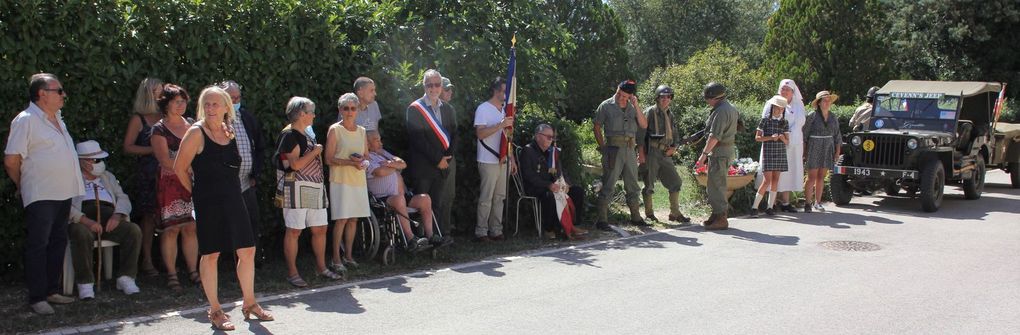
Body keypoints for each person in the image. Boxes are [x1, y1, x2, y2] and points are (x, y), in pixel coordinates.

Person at [174, 86, 271, 330]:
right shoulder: (196, 133)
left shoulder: (229, 132)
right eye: (206, 104)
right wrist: (196, 193)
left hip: (233, 196)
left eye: (215, 104)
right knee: (211, 254)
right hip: (208, 201)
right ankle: (215, 310)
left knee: (247, 250)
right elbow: (179, 168)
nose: (210, 108)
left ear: (227, 107)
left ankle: (249, 303)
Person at [4, 74, 85, 314]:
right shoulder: (26, 120)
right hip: (40, 192)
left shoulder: (58, 118)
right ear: (42, 94)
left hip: (63, 192)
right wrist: (23, 184)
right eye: (58, 91)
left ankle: (51, 290)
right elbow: (11, 160)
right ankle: (37, 297)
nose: (63, 95)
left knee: (58, 241)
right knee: (38, 244)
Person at [275, 97, 341, 287]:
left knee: (320, 228)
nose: (314, 115)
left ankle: (321, 268)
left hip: (314, 187)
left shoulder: (306, 134)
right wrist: (316, 151)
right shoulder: (289, 135)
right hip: (295, 188)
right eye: (311, 111)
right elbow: (295, 164)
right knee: (294, 230)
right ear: (302, 114)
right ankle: (292, 272)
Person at [68, 140, 143, 299]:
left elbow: (123, 198)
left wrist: (118, 215)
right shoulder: (72, 178)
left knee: (133, 231)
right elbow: (66, 206)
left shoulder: (107, 177)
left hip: (109, 216)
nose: (98, 163)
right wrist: (86, 221)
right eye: (94, 160)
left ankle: (126, 277)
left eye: (99, 160)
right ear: (82, 162)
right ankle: (85, 282)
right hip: (83, 219)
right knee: (80, 233)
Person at [150, 83, 199, 292]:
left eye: (183, 101)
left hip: (192, 182)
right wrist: (186, 165)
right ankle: (171, 274)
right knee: (171, 229)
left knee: (191, 227)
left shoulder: (192, 124)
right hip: (170, 184)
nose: (181, 105)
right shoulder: (159, 129)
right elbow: (164, 160)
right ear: (166, 104)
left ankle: (193, 271)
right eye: (176, 101)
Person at [366, 130, 447, 250]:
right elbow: (380, 172)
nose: (380, 143)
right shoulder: (366, 158)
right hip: (383, 199)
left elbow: (403, 164)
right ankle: (411, 239)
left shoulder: (383, 153)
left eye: (380, 139)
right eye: (376, 140)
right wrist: (394, 166)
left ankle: (430, 236)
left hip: (401, 195)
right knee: (399, 200)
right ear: (367, 143)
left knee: (425, 199)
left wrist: (389, 164)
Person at [219, 80, 266, 267]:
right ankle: (228, 261)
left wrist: (255, 175)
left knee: (252, 221)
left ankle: (253, 260)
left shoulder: (247, 117)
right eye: (232, 98)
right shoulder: (215, 120)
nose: (236, 101)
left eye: (238, 97)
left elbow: (260, 147)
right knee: (227, 223)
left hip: (247, 182)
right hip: (225, 183)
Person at [405, 69, 457, 235]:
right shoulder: (415, 109)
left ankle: (437, 238)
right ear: (424, 86)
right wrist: (437, 159)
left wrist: (446, 159)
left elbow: (455, 136)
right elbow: (418, 140)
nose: (433, 88)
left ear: (441, 86)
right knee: (422, 207)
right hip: (424, 167)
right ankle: (422, 239)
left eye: (436, 85)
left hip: (442, 166)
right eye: (429, 85)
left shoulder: (449, 109)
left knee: (438, 204)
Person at [120, 77, 162, 278]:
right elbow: (128, 147)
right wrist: (151, 150)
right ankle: (147, 260)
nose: (160, 95)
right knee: (148, 218)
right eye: (156, 92)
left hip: (167, 171)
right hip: (147, 173)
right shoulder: (139, 119)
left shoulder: (166, 115)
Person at [593, 80, 648, 231]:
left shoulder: (633, 107)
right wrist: (603, 147)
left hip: (630, 149)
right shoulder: (606, 105)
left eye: (625, 96)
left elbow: (644, 124)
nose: (621, 98)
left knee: (632, 184)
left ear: (631, 96)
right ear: (617, 90)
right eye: (619, 94)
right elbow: (597, 126)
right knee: (609, 182)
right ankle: (602, 220)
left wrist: (636, 105)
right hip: (613, 148)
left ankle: (636, 217)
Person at [325, 93, 370, 272]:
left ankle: (348, 256)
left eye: (353, 108)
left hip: (358, 180)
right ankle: (336, 259)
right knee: (341, 219)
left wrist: (362, 162)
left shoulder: (362, 131)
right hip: (340, 180)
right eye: (346, 108)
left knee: (353, 219)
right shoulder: (335, 130)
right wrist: (351, 162)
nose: (350, 112)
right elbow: (328, 159)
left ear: (357, 110)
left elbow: (366, 155)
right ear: (340, 110)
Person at [518, 124, 588, 239]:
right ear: (538, 136)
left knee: (577, 191)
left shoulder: (552, 151)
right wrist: (548, 185)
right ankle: (549, 229)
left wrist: (567, 184)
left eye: (553, 137)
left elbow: (561, 171)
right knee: (549, 195)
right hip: (536, 186)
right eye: (548, 137)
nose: (551, 140)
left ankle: (572, 226)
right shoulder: (528, 151)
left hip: (553, 185)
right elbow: (528, 176)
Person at [637, 85, 690, 224]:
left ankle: (675, 213)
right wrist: (641, 153)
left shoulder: (670, 114)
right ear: (657, 98)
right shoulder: (650, 112)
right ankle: (649, 214)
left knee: (675, 182)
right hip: (652, 152)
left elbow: (675, 135)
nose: (665, 99)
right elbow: (640, 134)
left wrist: (674, 148)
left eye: (668, 96)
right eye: (662, 97)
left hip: (666, 153)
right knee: (649, 184)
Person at [473, 77, 514, 241]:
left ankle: (496, 230)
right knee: (486, 198)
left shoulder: (505, 110)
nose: (506, 94)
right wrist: (500, 125)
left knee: (499, 197)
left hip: (503, 159)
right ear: (496, 91)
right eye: (504, 91)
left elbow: (508, 136)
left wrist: (512, 160)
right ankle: (481, 231)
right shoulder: (483, 109)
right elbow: (480, 133)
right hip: (488, 159)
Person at [695, 82, 739, 230]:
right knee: (714, 184)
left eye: (708, 98)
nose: (707, 101)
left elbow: (714, 137)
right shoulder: (729, 108)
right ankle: (716, 214)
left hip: (720, 152)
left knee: (718, 185)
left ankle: (721, 218)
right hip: (724, 151)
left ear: (714, 97)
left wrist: (703, 156)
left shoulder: (721, 111)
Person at [760, 79, 807, 213]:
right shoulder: (771, 103)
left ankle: (786, 202)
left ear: (793, 91)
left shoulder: (799, 104)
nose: (784, 92)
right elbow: (765, 122)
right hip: (774, 143)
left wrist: (789, 135)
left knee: (789, 172)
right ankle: (772, 203)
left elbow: (800, 122)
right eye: (782, 89)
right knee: (773, 173)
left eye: (787, 89)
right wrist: (780, 134)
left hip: (793, 143)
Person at [750, 96, 790, 217]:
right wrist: (771, 138)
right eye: (777, 108)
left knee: (775, 180)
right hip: (768, 152)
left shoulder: (785, 122)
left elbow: (787, 141)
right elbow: (757, 138)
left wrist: (782, 138)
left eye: (781, 108)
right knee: (767, 180)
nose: (779, 110)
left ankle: (770, 207)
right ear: (773, 107)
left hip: (780, 152)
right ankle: (754, 207)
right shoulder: (765, 120)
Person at [803, 91, 841, 212]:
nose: (827, 102)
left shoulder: (833, 117)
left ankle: (817, 202)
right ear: (819, 103)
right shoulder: (812, 116)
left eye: (828, 100)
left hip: (827, 147)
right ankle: (807, 203)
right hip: (814, 147)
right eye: (824, 100)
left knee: (821, 176)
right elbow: (804, 135)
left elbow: (837, 136)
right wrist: (804, 152)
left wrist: (837, 152)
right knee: (811, 177)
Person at [438, 76, 459, 235]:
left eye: (450, 89)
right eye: (447, 89)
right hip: (433, 161)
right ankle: (433, 233)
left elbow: (454, 136)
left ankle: (445, 232)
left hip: (449, 159)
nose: (450, 92)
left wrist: (449, 156)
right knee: (436, 196)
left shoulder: (449, 109)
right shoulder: (425, 109)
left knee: (448, 196)